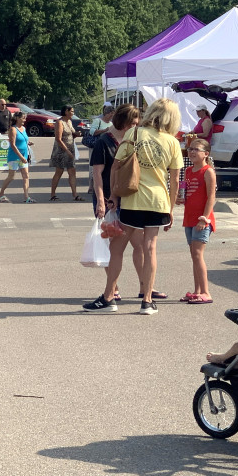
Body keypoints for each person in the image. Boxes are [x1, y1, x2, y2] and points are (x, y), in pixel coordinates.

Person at [83, 98, 183, 315]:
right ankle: (147, 300)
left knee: (117, 247)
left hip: (133, 199)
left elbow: (116, 168)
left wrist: (114, 197)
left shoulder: (134, 134)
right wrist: (171, 208)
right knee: (150, 248)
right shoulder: (172, 142)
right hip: (158, 201)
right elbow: (174, 180)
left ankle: (109, 296)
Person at [181, 138, 216, 304]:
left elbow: (211, 197)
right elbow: (185, 191)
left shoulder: (208, 171)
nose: (192, 152)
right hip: (189, 218)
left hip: (202, 220)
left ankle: (206, 292)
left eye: (196, 149)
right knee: (193, 255)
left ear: (206, 154)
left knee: (197, 254)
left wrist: (205, 218)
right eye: (190, 149)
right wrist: (179, 198)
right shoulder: (188, 171)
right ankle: (197, 291)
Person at [0, 112, 34, 203]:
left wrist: (28, 143)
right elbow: (13, 145)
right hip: (14, 157)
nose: (24, 120)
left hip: (24, 156)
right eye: (23, 118)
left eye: (25, 118)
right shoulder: (13, 129)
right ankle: (1, 194)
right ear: (17, 118)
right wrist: (21, 157)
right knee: (11, 176)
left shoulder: (23, 128)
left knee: (26, 176)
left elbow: (23, 140)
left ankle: (26, 197)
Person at [49, 104, 83, 201]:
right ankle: (52, 194)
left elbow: (71, 134)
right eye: (71, 111)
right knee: (59, 172)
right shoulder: (60, 122)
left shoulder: (69, 121)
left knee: (72, 171)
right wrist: (67, 151)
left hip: (70, 149)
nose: (73, 113)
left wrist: (77, 134)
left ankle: (75, 194)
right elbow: (58, 139)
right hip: (61, 151)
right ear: (66, 111)